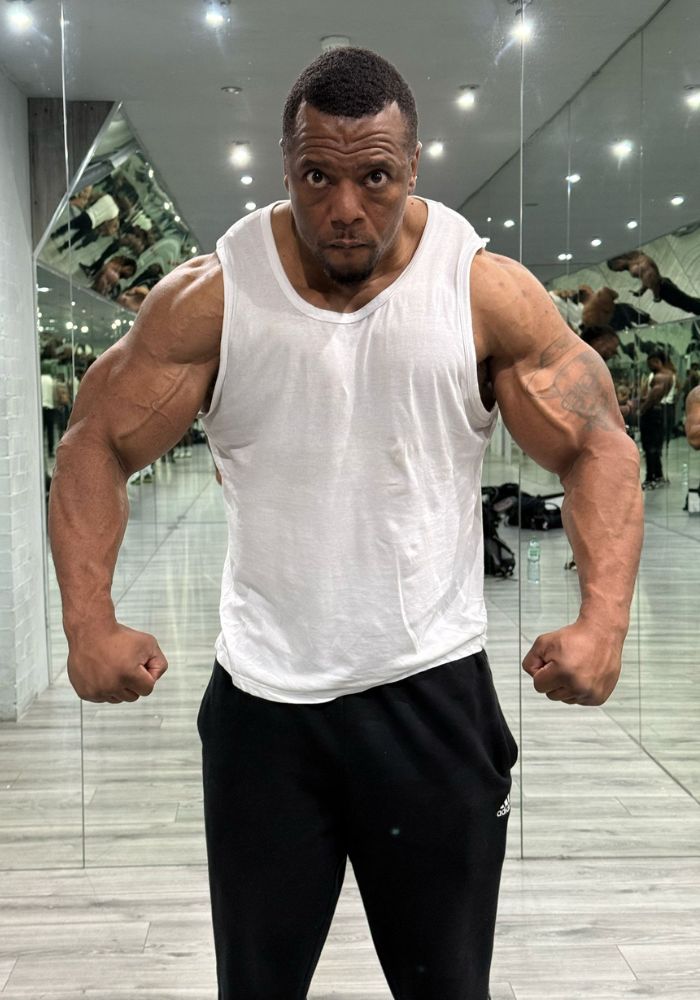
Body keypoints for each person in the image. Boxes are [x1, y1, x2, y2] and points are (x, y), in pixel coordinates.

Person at [48, 47, 644, 1000]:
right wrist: (88, 624)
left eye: (376, 177)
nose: (345, 207)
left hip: (431, 694)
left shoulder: (479, 290)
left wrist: (604, 622)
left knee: (448, 987)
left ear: (414, 167)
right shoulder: (215, 297)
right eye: (316, 176)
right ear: (285, 166)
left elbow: (599, 443)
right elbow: (93, 441)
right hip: (264, 709)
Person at [639, 350, 674, 488]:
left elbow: (655, 395)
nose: (649, 367)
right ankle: (657, 476)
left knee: (650, 447)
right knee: (654, 447)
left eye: (650, 363)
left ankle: (650, 478)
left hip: (652, 413)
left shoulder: (660, 376)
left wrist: (642, 409)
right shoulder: (668, 375)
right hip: (658, 412)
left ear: (656, 361)